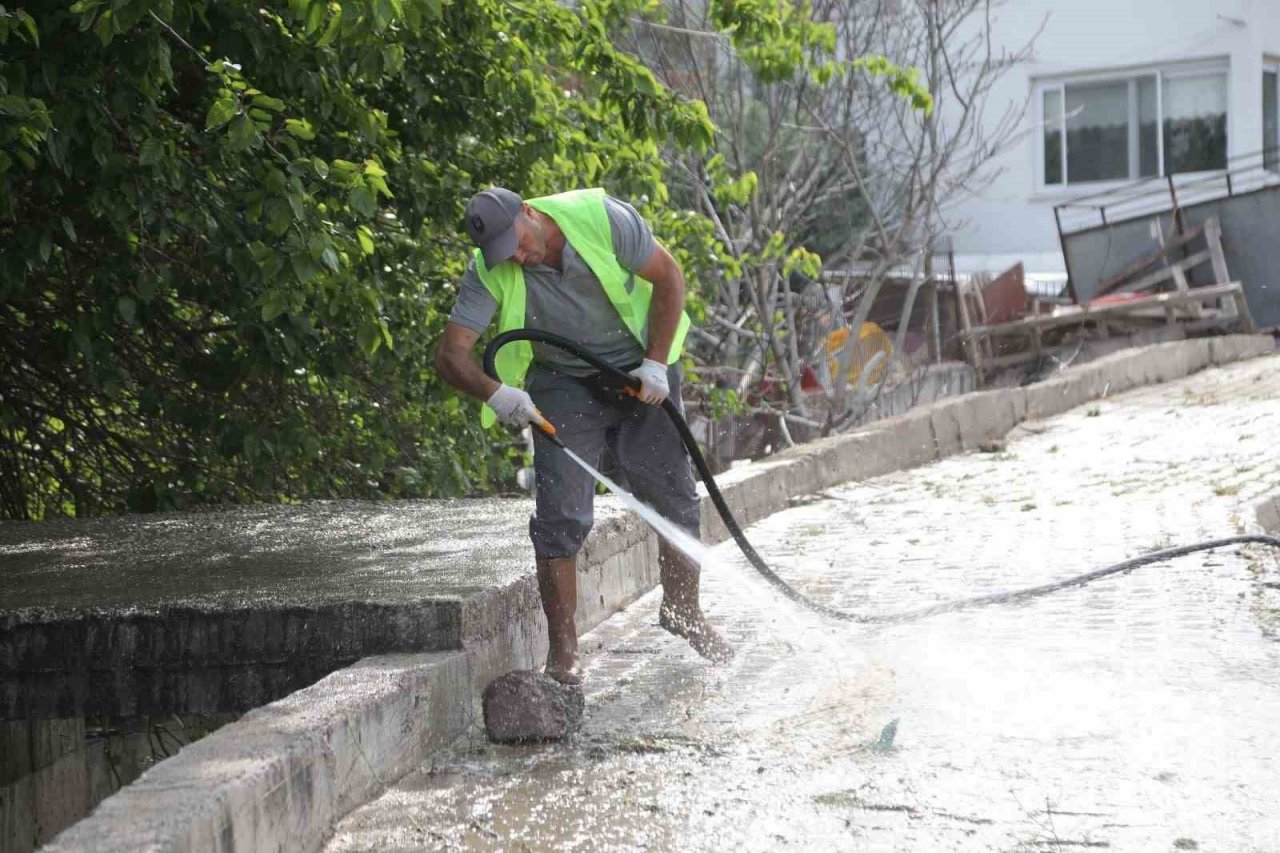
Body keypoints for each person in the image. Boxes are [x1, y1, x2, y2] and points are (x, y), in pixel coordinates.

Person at [434, 186, 733, 684]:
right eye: (505, 255)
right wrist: (495, 393)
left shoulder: (602, 220)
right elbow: (451, 355)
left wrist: (656, 363)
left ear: (528, 212)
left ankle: (684, 614)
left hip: (642, 373)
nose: (518, 258)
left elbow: (669, 277)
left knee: (674, 497)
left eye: (518, 243)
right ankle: (564, 653)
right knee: (562, 514)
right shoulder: (489, 268)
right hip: (563, 383)